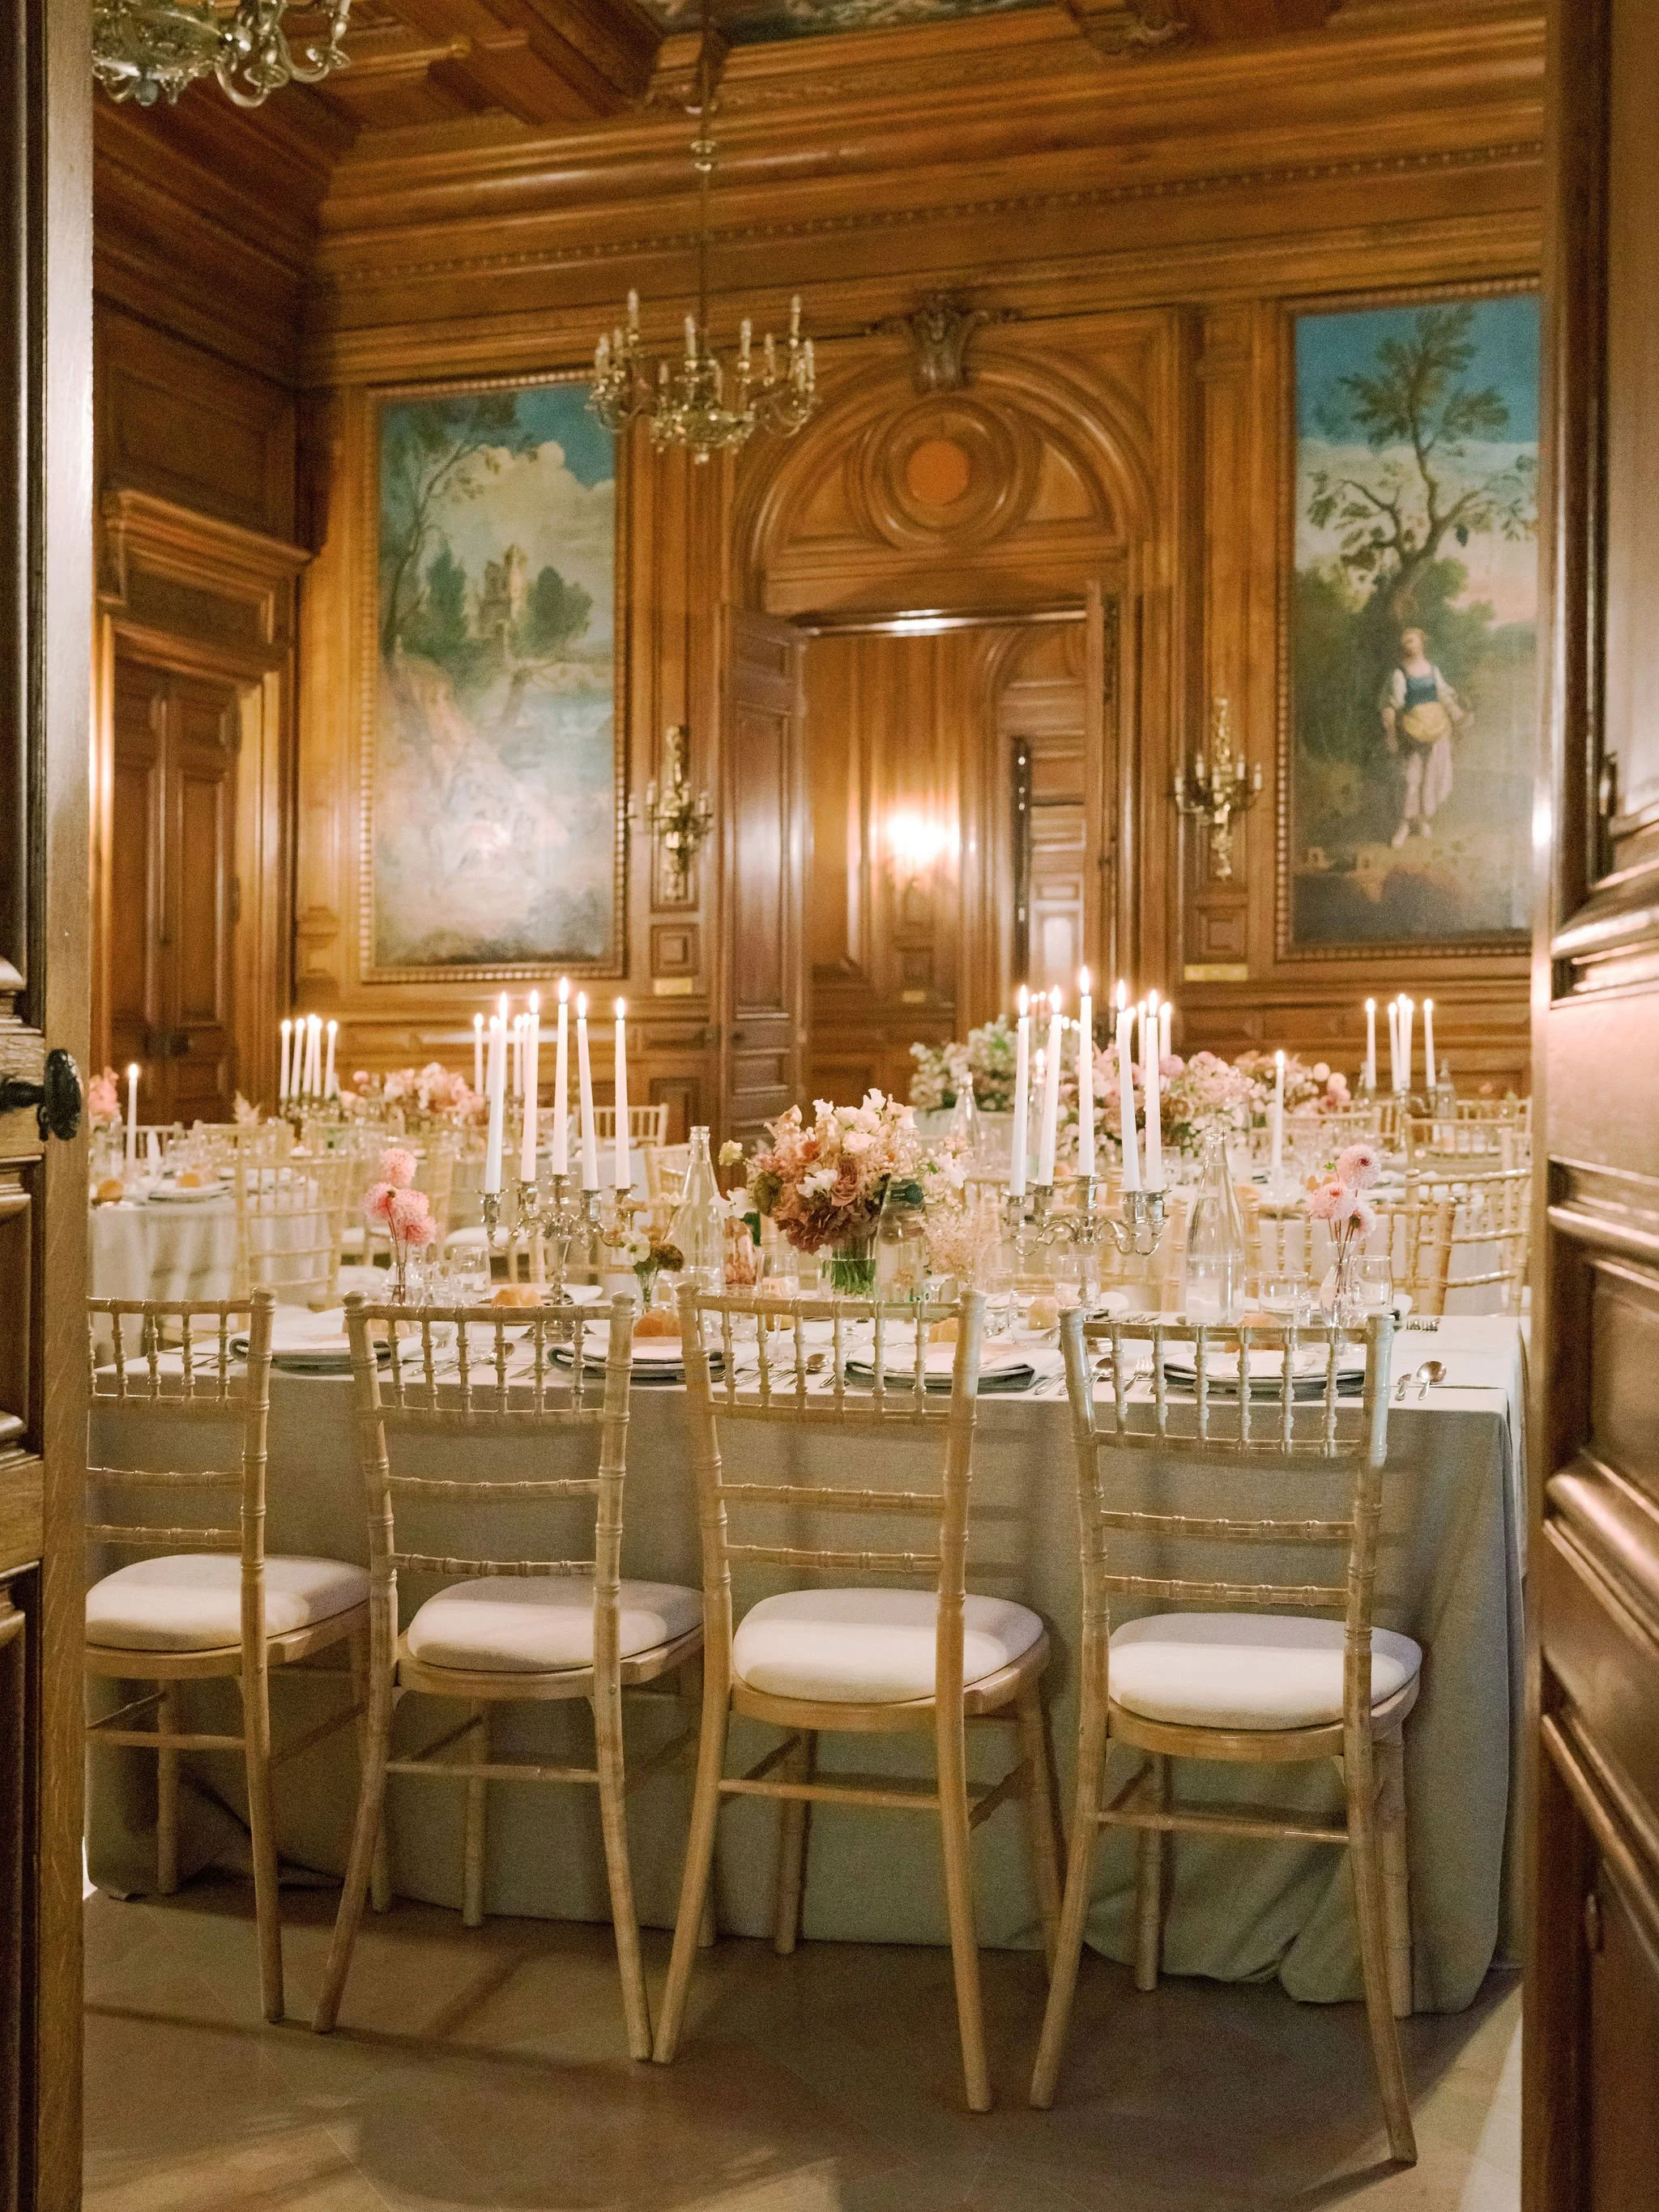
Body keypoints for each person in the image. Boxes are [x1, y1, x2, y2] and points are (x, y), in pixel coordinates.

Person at [1380, 627, 1469, 849]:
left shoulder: (1432, 670)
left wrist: (1457, 713)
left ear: (1421, 643)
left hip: (1437, 728)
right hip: (1413, 730)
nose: (1407, 645)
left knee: (1432, 775)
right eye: (1405, 642)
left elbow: (1444, 696)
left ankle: (1423, 820)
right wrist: (1390, 733)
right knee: (1411, 778)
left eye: (1411, 640)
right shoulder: (1400, 673)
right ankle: (1405, 824)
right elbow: (1391, 705)